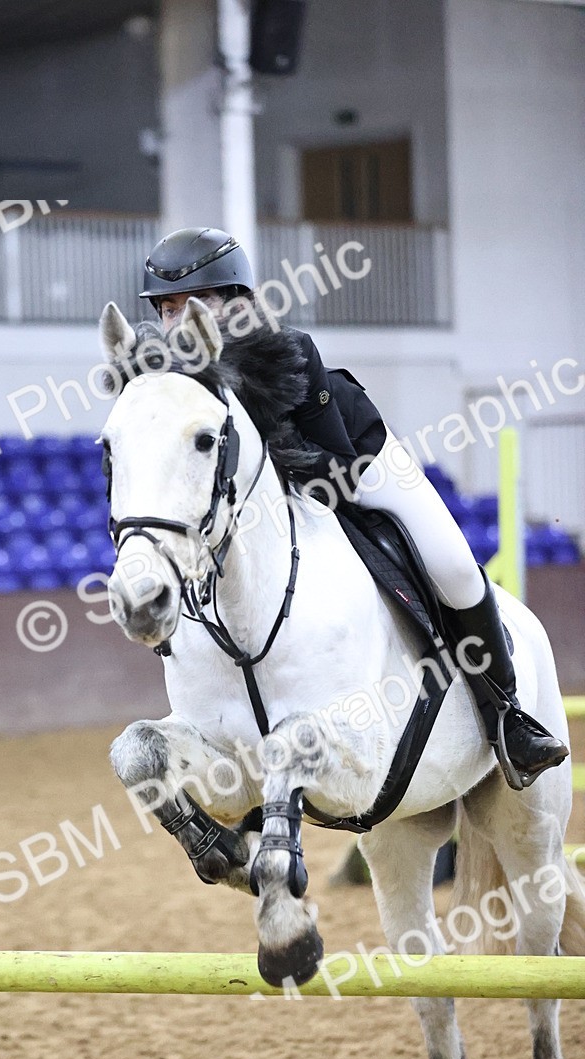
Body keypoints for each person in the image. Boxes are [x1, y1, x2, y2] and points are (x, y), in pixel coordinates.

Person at [138, 226, 568, 790]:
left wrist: (269, 471)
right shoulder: (171, 382)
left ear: (235, 301)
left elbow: (336, 467)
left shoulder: (289, 351)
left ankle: (507, 716)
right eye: (167, 309)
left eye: (194, 305)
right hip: (274, 505)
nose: (177, 323)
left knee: (458, 571)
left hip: (360, 464)